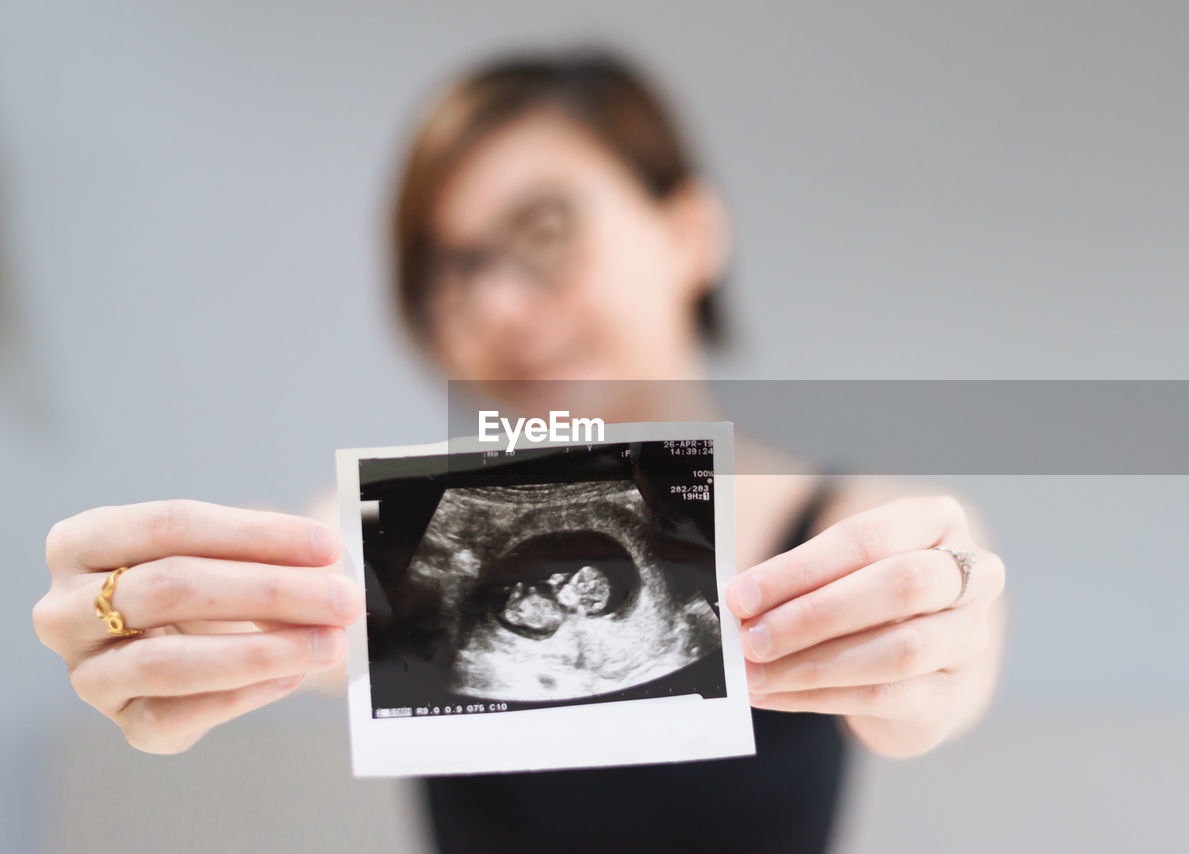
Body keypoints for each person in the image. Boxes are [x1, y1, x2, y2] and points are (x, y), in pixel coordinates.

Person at [33, 47, 1008, 853]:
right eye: (448, 270)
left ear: (688, 232)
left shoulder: (845, 516)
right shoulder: (401, 545)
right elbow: (295, 587)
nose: (491, 306)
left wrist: (933, 643)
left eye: (542, 230)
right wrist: (155, 620)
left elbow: (943, 628)